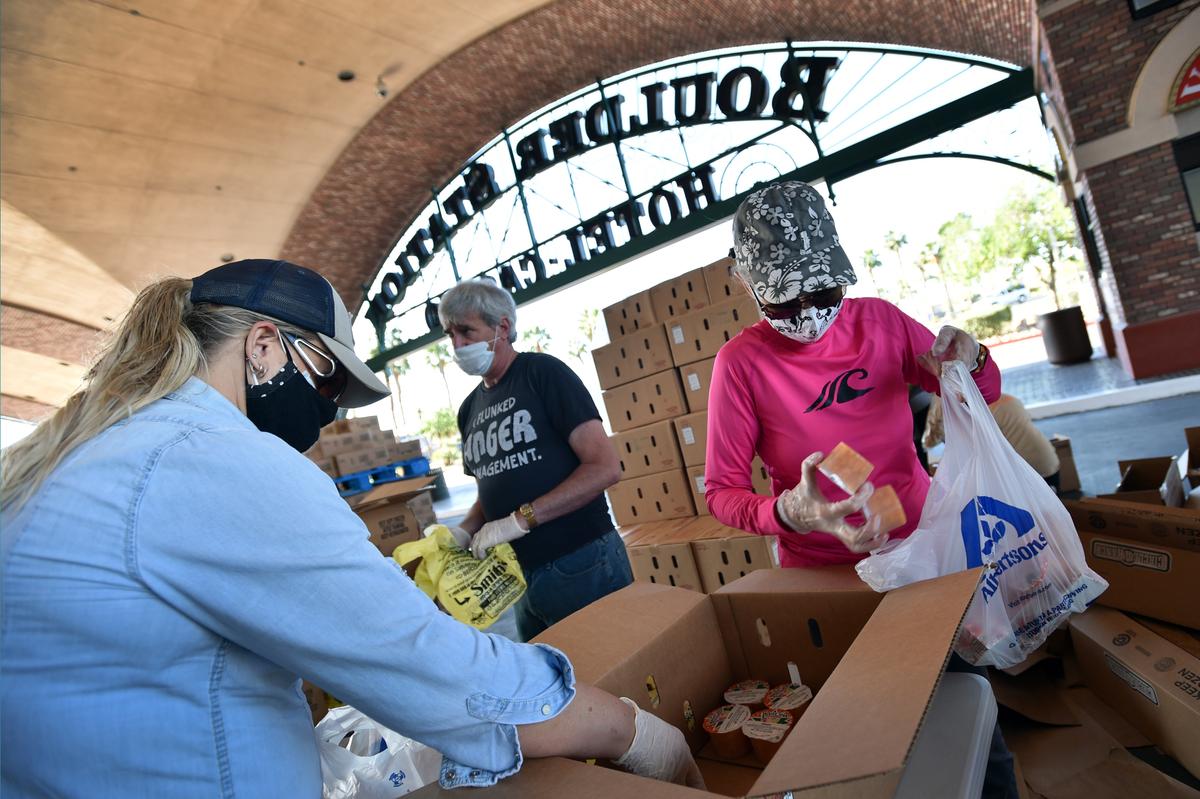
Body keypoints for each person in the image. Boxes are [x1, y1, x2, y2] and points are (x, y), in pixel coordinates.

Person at [0, 259, 701, 796]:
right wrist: (631, 728)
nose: (329, 410)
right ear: (264, 347)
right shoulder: (214, 459)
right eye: (329, 380)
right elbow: (432, 671)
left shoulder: (80, 450)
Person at [704, 182, 1017, 799]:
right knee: (863, 727)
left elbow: (981, 392)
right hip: (827, 579)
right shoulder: (741, 366)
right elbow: (722, 491)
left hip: (920, 554)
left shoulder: (879, 322)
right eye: (786, 302)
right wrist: (790, 512)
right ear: (749, 286)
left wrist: (972, 359)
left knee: (963, 709)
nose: (809, 313)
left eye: (822, 292)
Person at [438, 279, 632, 642]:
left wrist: (522, 519)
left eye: (466, 331)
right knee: (557, 687)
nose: (458, 345)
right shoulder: (469, 410)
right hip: (518, 576)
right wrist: (463, 530)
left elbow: (604, 467)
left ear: (502, 327)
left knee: (613, 671)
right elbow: (494, 487)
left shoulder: (542, 374)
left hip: (581, 560)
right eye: (451, 335)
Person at [924, 392, 1061, 492]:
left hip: (1027, 477)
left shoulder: (974, 414)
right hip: (1049, 464)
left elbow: (932, 437)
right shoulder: (1006, 398)